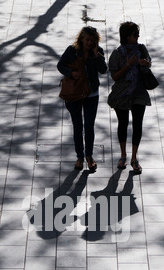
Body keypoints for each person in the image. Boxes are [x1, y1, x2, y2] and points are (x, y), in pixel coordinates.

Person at [57, 26, 107, 172]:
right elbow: (60, 65)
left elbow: (103, 70)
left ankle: (89, 156)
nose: (90, 43)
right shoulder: (72, 51)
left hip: (91, 94)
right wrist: (70, 73)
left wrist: (97, 55)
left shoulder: (97, 52)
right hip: (75, 93)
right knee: (77, 126)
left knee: (89, 126)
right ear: (82, 39)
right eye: (87, 40)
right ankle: (80, 156)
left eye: (93, 40)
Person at [108, 22, 152, 172]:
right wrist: (128, 65)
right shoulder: (117, 53)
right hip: (122, 94)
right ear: (126, 36)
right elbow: (114, 76)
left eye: (137, 34)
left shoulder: (141, 48)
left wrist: (144, 63)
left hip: (139, 93)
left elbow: (149, 63)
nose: (137, 37)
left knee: (137, 124)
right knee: (123, 123)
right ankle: (123, 155)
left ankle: (134, 158)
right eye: (134, 34)